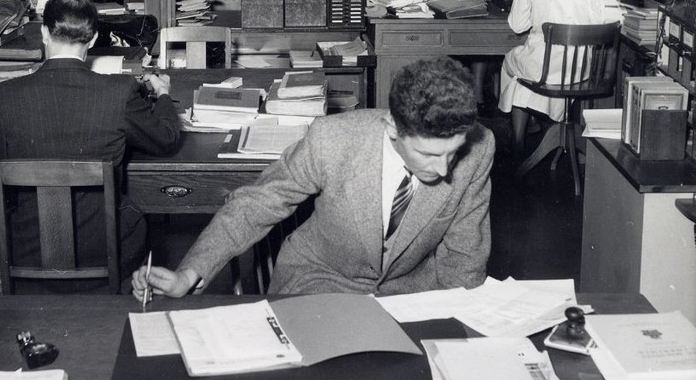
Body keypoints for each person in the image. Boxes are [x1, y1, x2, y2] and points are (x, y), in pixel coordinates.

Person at [132, 57, 494, 300]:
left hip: (411, 293)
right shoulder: (332, 139)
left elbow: (464, 257)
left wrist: (455, 327)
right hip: (321, 281)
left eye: (453, 152)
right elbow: (257, 204)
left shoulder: (478, 149)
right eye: (430, 154)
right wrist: (190, 272)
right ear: (392, 129)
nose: (446, 170)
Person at [0, 0, 180, 285]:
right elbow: (166, 138)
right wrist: (163, 95)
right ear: (95, 37)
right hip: (106, 252)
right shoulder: (119, 92)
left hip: (27, 254)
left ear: (44, 33)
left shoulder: (3, 96)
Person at [497, 0, 605, 155]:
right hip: (582, 70)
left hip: (544, 69)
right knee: (527, 64)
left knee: (512, 64)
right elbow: (598, 21)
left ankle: (518, 137)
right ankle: (540, 123)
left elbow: (517, 25)